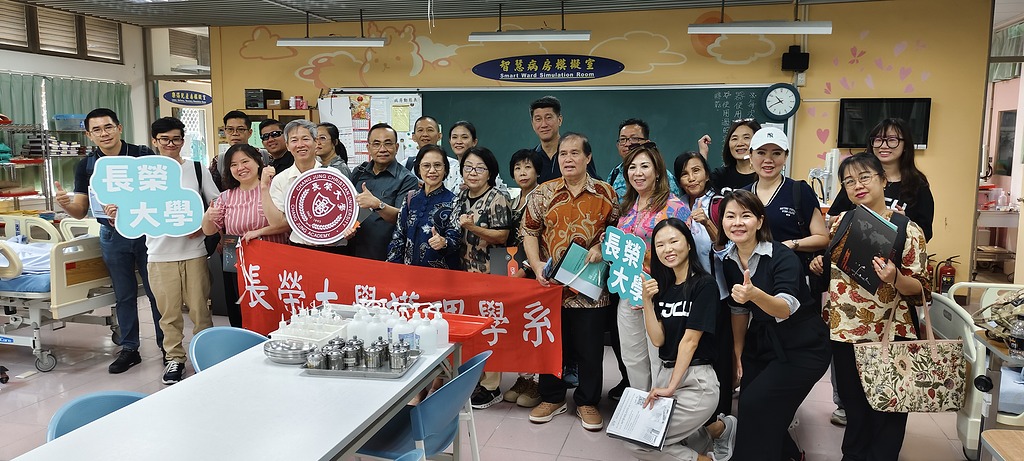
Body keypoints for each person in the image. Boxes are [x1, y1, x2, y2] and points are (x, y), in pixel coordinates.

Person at [809, 152, 930, 460]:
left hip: (889, 333)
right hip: (844, 331)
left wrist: (895, 278)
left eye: (864, 177)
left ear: (883, 180)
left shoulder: (906, 229)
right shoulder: (840, 223)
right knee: (854, 406)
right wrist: (819, 263)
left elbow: (921, 290)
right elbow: (837, 267)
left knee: (888, 408)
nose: (857, 185)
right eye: (849, 181)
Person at [713, 190, 830, 461]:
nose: (737, 223)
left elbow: (785, 308)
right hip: (763, 340)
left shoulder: (782, 256)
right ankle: (789, 454)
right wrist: (738, 353)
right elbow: (739, 310)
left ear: (760, 221)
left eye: (746, 216)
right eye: (730, 216)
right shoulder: (729, 260)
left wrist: (755, 294)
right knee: (752, 404)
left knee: (756, 403)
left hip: (804, 344)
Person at [54, 108, 163, 375]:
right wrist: (65, 204)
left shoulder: (141, 155)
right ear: (89, 135)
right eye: (97, 130)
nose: (104, 134)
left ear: (119, 128)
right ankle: (129, 348)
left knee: (156, 292)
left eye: (108, 127)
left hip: (145, 233)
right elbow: (80, 210)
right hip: (112, 237)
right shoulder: (87, 165)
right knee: (123, 295)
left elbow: (159, 193)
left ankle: (167, 347)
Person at [522, 133, 618, 431]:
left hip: (590, 288)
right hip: (552, 286)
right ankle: (552, 397)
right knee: (552, 345)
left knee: (590, 349)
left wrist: (602, 246)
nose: (568, 159)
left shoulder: (606, 193)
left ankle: (588, 401)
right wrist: (536, 264)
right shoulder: (543, 192)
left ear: (588, 157)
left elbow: (617, 231)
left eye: (575, 153)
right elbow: (529, 231)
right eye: (563, 153)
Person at [627, 218, 736, 461]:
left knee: (641, 443)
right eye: (660, 244)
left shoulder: (704, 284)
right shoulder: (664, 287)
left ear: (688, 244)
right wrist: (646, 302)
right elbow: (658, 339)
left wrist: (671, 388)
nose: (667, 249)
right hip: (667, 373)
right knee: (680, 441)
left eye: (674, 241)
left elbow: (690, 342)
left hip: (696, 380)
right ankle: (719, 430)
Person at [123, 117, 218, 384]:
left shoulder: (197, 169)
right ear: (155, 141)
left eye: (176, 139)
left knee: (200, 311)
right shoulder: (142, 174)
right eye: (164, 139)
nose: (171, 144)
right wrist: (116, 211)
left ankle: (205, 355)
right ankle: (174, 359)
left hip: (194, 252)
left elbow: (216, 205)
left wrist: (201, 225)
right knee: (168, 314)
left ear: (183, 140)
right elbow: (130, 208)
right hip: (158, 254)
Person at [615, 142, 689, 396]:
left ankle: (659, 407)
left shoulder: (674, 206)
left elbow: (684, 252)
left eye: (644, 166)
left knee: (659, 354)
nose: (638, 173)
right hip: (629, 290)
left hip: (661, 291)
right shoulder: (627, 206)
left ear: (657, 171)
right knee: (632, 355)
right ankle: (639, 405)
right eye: (632, 167)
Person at [202, 143, 290, 328]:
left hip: (273, 263)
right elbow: (209, 231)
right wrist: (208, 217)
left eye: (245, 161)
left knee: (273, 310)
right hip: (237, 266)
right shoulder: (226, 196)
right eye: (233, 165)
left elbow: (286, 223)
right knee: (242, 311)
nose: (240, 168)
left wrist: (259, 232)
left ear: (258, 162)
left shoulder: (274, 189)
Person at [673, 150, 732, 421]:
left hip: (717, 292)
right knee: (691, 351)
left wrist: (707, 222)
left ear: (707, 174)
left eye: (696, 171)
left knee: (719, 355)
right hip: (685, 293)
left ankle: (721, 416)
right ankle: (694, 412)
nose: (691, 178)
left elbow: (728, 248)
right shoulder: (676, 205)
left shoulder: (720, 204)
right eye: (684, 173)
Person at [457, 146, 514, 410]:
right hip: (464, 273)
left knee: (491, 329)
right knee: (472, 331)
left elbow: (502, 236)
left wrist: (472, 227)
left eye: (479, 168)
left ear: (490, 173)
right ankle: (475, 380)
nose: (473, 173)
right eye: (468, 167)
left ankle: (492, 387)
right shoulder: (461, 196)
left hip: (490, 273)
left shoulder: (497, 198)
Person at [742, 127, 829, 294]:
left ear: (785, 157)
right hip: (753, 278)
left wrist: (791, 244)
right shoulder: (743, 195)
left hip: (795, 279)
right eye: (761, 153)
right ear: (750, 156)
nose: (768, 160)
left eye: (776, 153)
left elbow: (822, 238)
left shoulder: (800, 190)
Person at [826, 118, 934, 242]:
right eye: (878, 140)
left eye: (892, 140)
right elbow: (832, 220)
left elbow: (925, 234)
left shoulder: (918, 185)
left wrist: (904, 222)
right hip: (855, 246)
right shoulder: (857, 181)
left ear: (905, 145)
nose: (883, 146)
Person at [500, 148, 544, 408]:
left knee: (534, 326)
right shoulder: (513, 199)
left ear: (537, 171)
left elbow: (543, 240)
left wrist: (526, 269)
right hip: (511, 273)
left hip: (532, 274)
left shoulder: (542, 198)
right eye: (517, 168)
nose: (522, 172)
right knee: (517, 328)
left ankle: (537, 382)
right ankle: (523, 378)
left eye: (528, 167)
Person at [263, 119, 343, 251]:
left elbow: (349, 213)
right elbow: (276, 223)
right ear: (288, 146)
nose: (300, 145)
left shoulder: (333, 175)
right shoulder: (281, 180)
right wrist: (264, 187)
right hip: (298, 248)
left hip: (333, 248)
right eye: (294, 140)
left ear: (316, 142)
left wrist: (348, 230)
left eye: (305, 139)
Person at [349, 123, 421, 261]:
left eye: (388, 144)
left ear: (396, 147)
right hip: (353, 251)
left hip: (386, 255)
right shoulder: (358, 172)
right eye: (376, 144)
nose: (382, 149)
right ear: (368, 148)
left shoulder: (407, 179)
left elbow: (403, 218)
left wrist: (378, 205)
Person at [386, 144, 461, 269]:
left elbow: (455, 240)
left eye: (437, 165)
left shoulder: (454, 201)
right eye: (426, 166)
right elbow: (398, 236)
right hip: (408, 272)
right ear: (419, 170)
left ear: (445, 169)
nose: (432, 171)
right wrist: (395, 267)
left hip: (439, 274)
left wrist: (444, 242)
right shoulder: (410, 198)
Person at [527, 96, 598, 184]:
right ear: (532, 124)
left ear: (559, 120)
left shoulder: (577, 153)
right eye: (538, 119)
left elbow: (593, 184)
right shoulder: (530, 159)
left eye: (548, 117)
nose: (544, 124)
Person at [606, 118, 681, 198]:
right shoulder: (615, 173)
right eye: (623, 139)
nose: (627, 144)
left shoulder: (663, 175)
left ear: (646, 143)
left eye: (634, 139)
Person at [442, 121, 508, 193]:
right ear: (450, 141)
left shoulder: (485, 168)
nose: (459, 141)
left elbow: (505, 196)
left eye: (464, 137)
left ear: (474, 142)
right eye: (454, 137)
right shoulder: (447, 170)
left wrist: (478, 190)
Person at [709, 119, 761, 193]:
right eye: (734, 139)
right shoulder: (720, 176)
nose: (739, 143)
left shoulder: (765, 175)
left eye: (746, 138)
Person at [212, 110, 254, 191]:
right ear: (225, 131)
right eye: (230, 129)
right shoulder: (218, 161)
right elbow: (215, 192)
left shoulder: (262, 156)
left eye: (240, 129)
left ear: (250, 132)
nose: (235, 133)